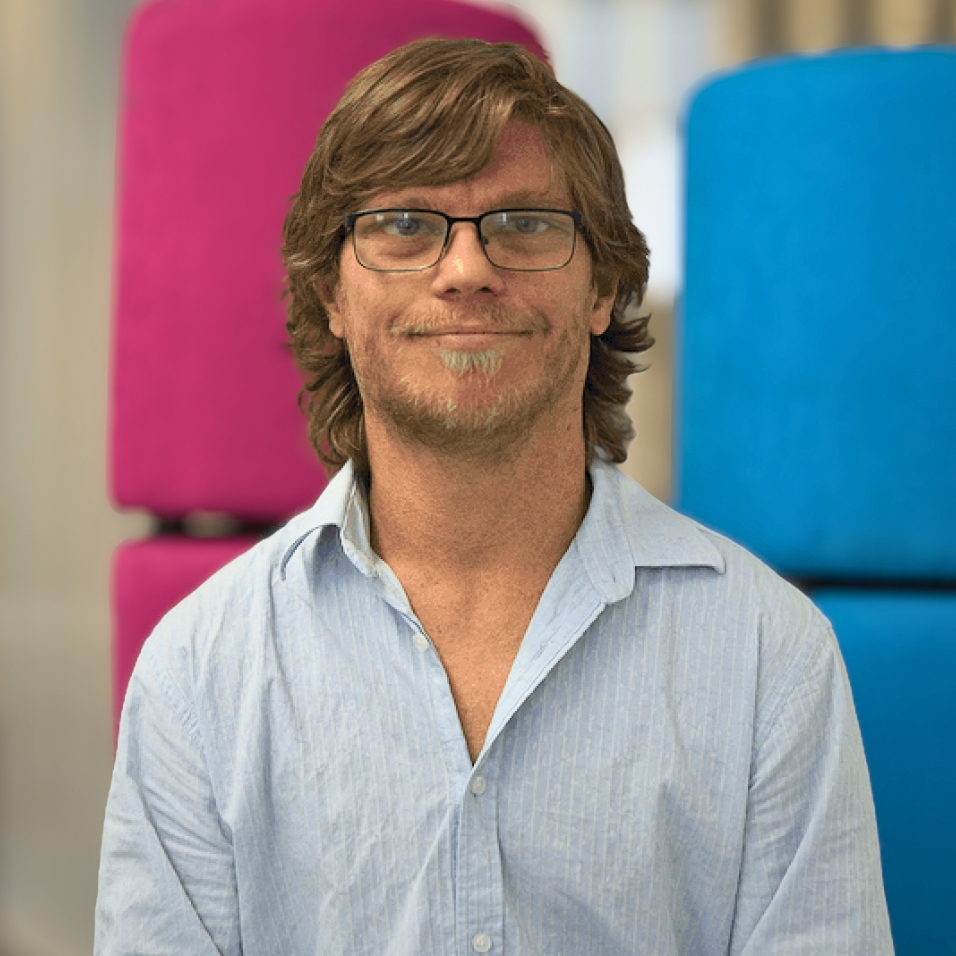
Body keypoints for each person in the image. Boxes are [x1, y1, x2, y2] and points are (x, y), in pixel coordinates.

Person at [95, 38, 894, 955]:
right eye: (403, 224)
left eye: (524, 224)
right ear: (332, 296)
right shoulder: (201, 672)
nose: (467, 269)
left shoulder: (769, 658)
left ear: (603, 289)